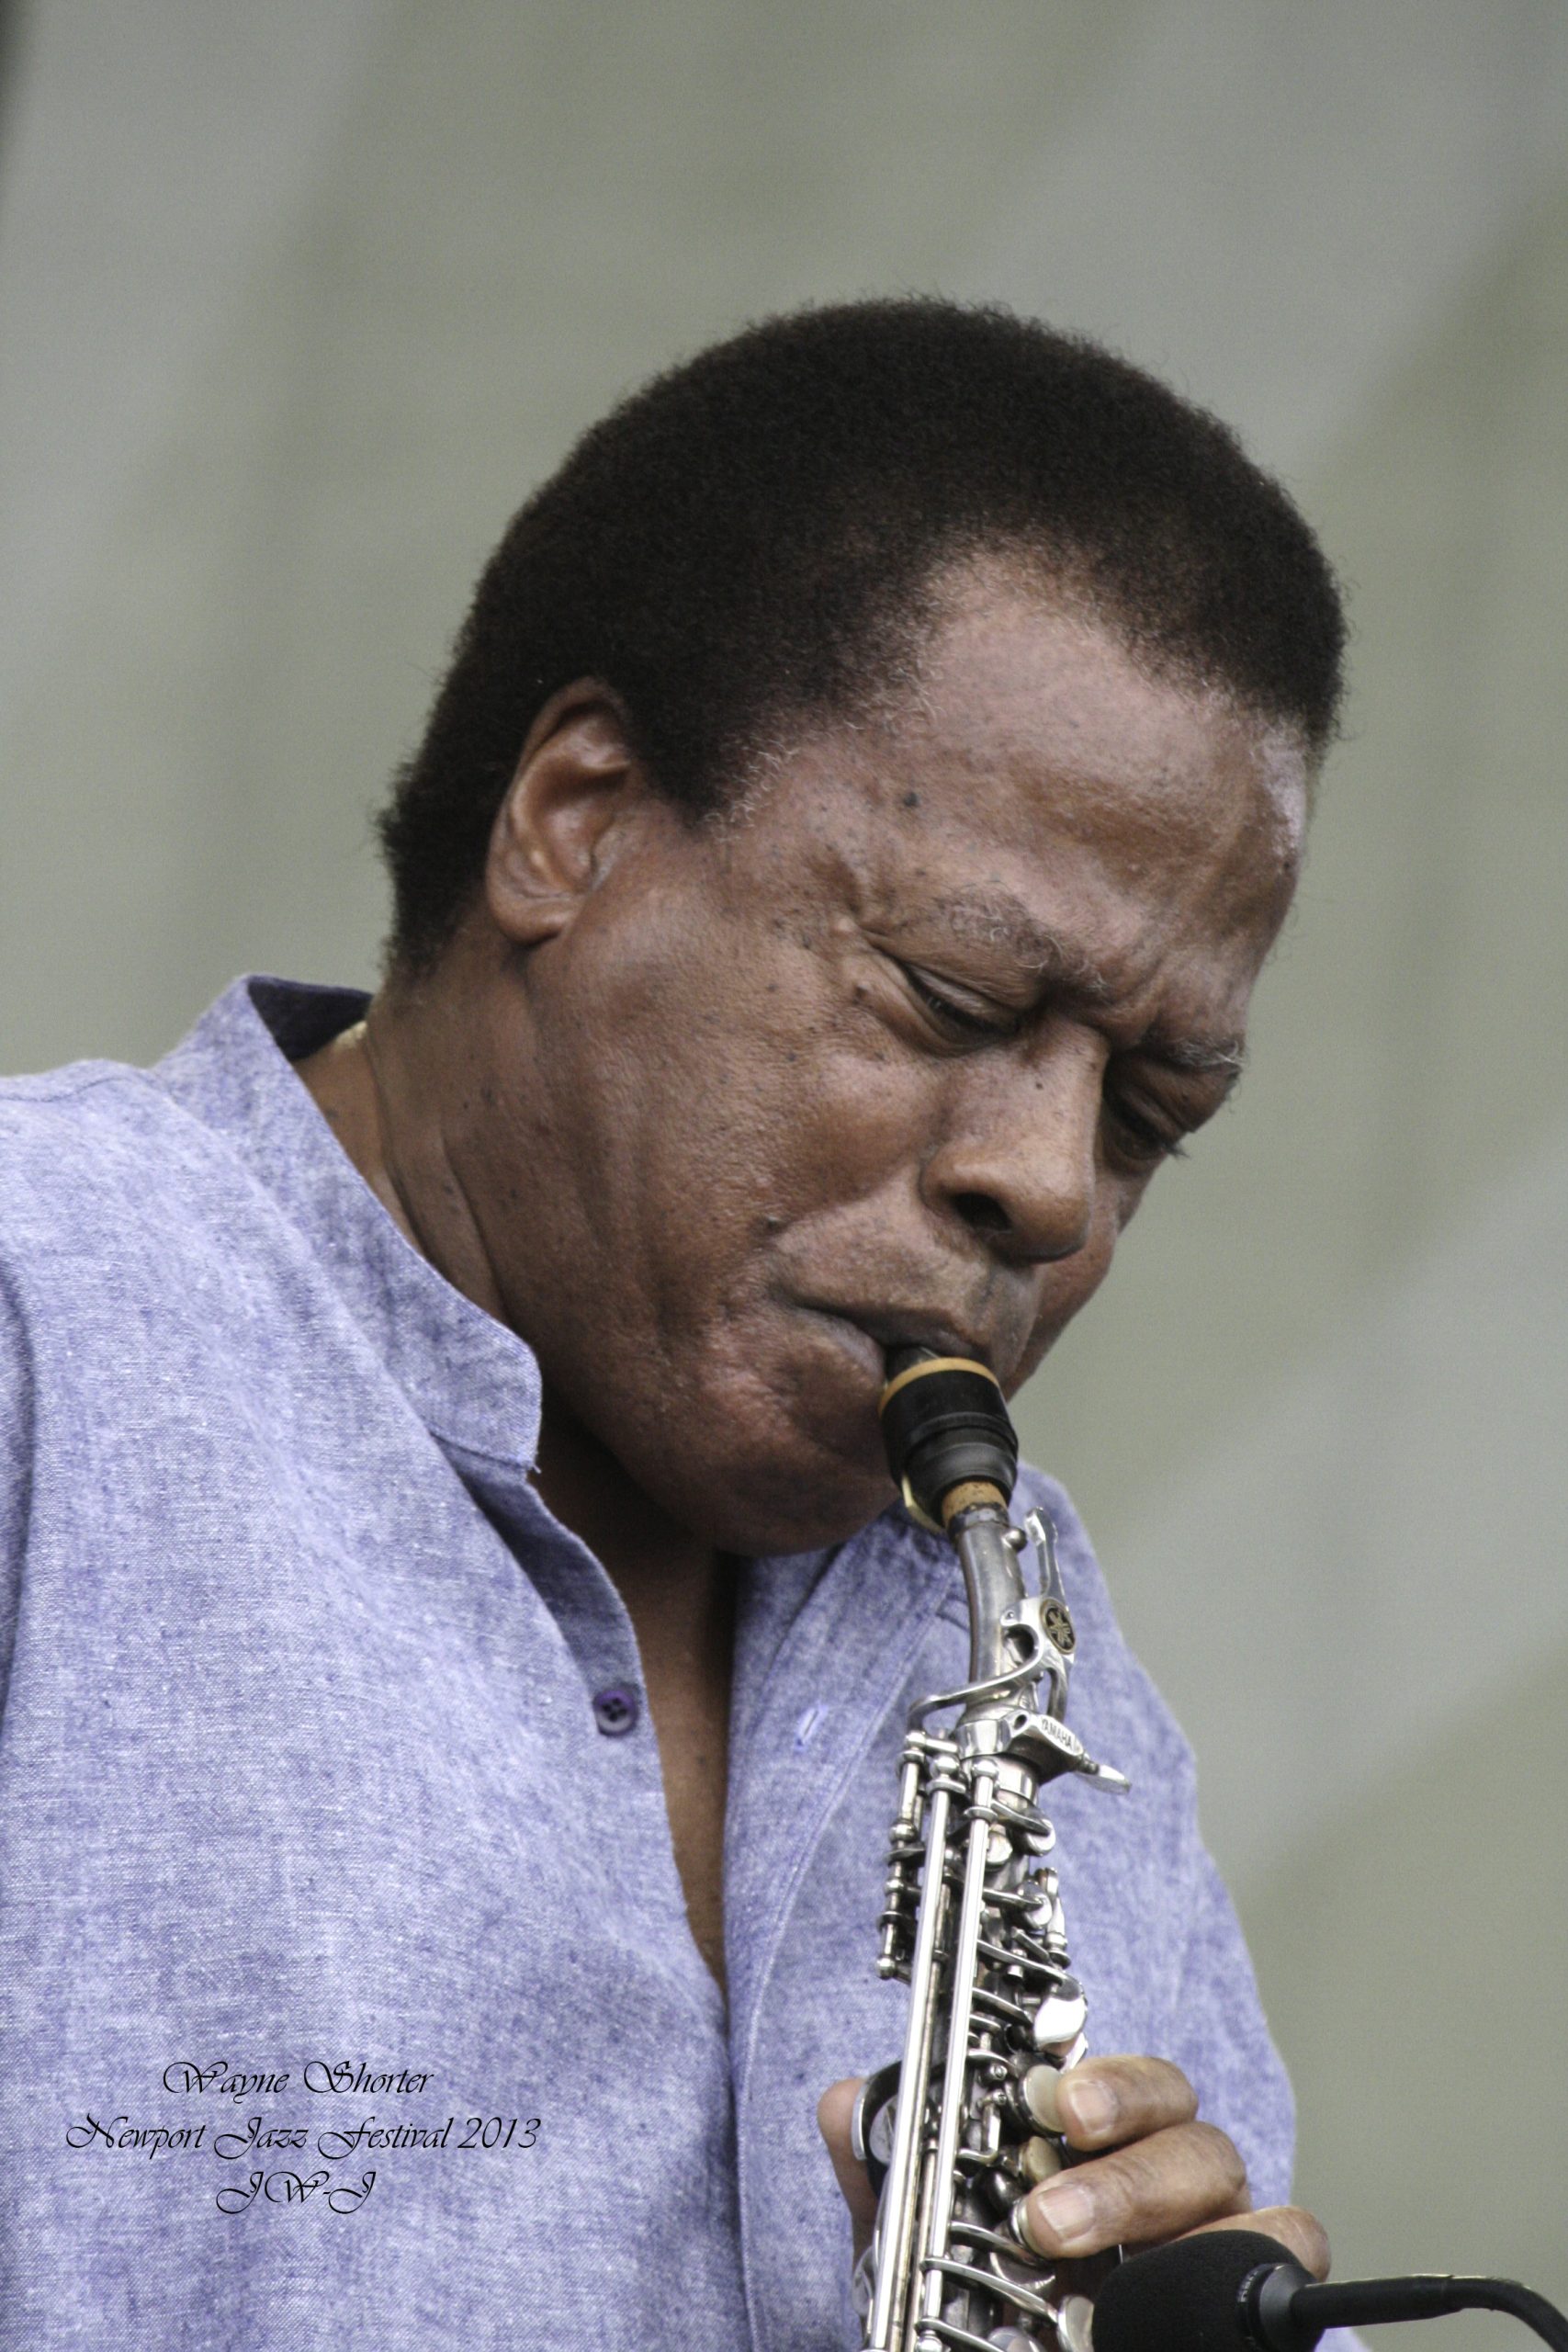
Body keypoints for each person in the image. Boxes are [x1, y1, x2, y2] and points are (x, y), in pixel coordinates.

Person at [0, 300, 1347, 2352]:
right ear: (577, 815)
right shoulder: (45, 1318)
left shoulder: (1011, 1612)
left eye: (1150, 1109)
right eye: (957, 1001)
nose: (1052, 1186)